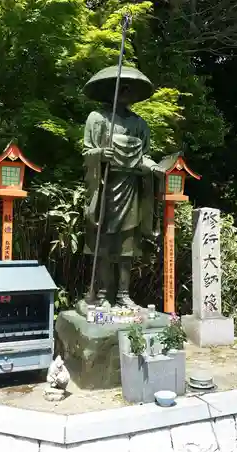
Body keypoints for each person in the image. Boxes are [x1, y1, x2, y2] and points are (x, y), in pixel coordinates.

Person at [81, 66, 165, 310]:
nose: (125, 92)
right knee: (105, 243)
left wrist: (153, 168)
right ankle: (104, 293)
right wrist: (100, 154)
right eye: (121, 87)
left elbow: (144, 157)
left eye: (130, 88)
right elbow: (86, 153)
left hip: (130, 188)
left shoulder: (139, 124)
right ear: (111, 91)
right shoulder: (97, 119)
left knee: (127, 245)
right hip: (106, 186)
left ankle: (123, 295)